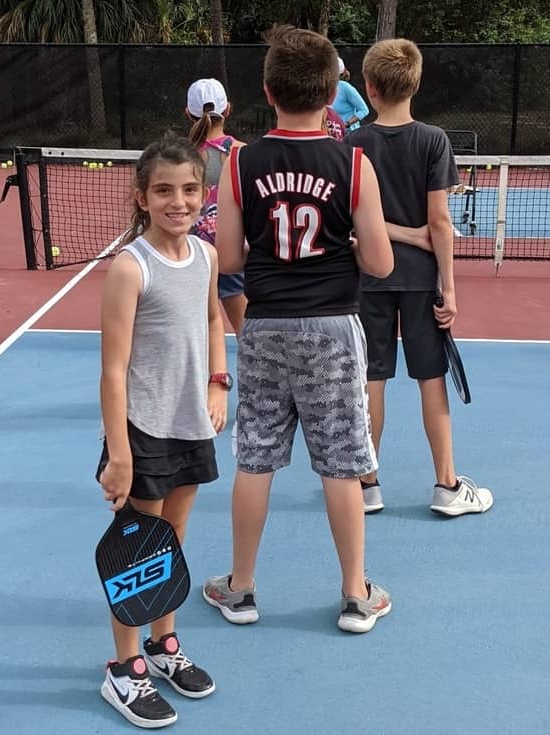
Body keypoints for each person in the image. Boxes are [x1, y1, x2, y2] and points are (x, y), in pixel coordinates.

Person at [202, 26, 395, 634]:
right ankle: (356, 595)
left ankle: (241, 589)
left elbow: (228, 259)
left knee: (255, 460)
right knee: (340, 464)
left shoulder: (240, 162)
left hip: (264, 328)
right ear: (333, 90)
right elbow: (381, 263)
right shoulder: (353, 161)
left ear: (266, 90)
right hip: (334, 328)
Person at [96, 131, 230, 728]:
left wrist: (216, 384)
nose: (179, 201)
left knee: (172, 537)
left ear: (204, 193)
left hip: (190, 422)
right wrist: (120, 454)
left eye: (189, 189)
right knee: (136, 549)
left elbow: (211, 320)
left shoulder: (205, 256)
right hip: (143, 428)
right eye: (164, 191)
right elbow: (112, 369)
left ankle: (162, 643)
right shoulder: (131, 268)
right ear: (141, 197)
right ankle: (123, 669)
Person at [349, 39, 494, 517]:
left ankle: (367, 485)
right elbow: (439, 225)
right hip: (420, 283)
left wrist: (389, 233)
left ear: (369, 87)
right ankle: (447, 487)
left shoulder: (352, 144)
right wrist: (448, 286)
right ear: (416, 83)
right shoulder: (434, 140)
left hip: (367, 278)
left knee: (371, 380)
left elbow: (354, 222)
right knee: (432, 380)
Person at [186, 77, 247, 337]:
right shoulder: (243, 153)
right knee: (249, 338)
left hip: (190, 254)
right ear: (228, 109)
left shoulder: (179, 156)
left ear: (188, 113)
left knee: (190, 339)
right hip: (232, 252)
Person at [330, 57, 369, 132]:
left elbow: (364, 110)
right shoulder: (322, 89)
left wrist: (346, 124)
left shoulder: (345, 87)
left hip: (349, 134)